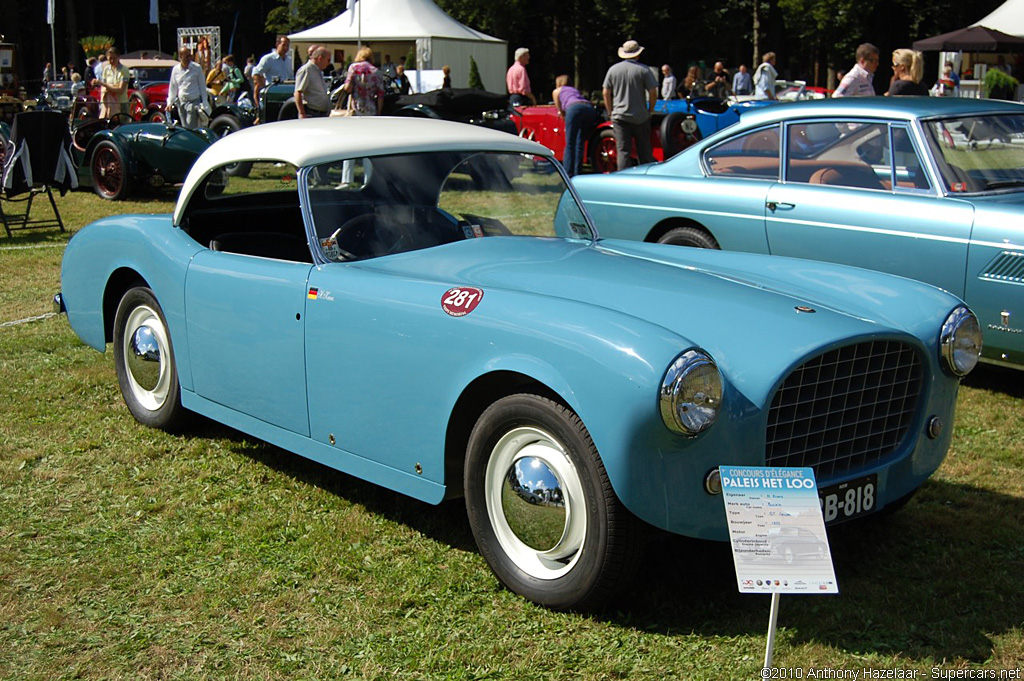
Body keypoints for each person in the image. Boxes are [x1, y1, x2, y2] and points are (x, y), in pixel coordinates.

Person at [602, 39, 658, 171]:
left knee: (623, 151)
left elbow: (606, 92)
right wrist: (650, 109)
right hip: (640, 116)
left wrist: (610, 112)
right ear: (637, 54)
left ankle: (623, 179)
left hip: (620, 116)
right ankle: (647, 177)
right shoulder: (644, 70)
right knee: (644, 151)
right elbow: (653, 91)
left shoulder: (613, 70)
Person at [553, 74, 600, 177]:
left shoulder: (557, 91)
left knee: (570, 143)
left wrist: (563, 114)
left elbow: (559, 108)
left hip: (573, 108)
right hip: (588, 108)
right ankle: (577, 171)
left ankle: (567, 173)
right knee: (580, 143)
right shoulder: (574, 90)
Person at [167, 47, 210, 129]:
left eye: (190, 56)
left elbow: (202, 86)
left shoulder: (197, 68)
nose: (189, 58)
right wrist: (170, 102)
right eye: (186, 56)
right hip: (182, 102)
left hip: (194, 101)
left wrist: (205, 102)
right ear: (180, 56)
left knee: (190, 126)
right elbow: (173, 87)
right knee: (184, 126)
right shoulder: (175, 70)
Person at [253, 35, 294, 119]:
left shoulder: (288, 60)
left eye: (287, 46)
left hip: (285, 92)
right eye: (284, 45)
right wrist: (264, 87)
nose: (286, 48)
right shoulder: (268, 59)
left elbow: (290, 77)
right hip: (273, 94)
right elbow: (256, 73)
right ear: (277, 44)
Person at [295, 46, 332, 118]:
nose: (329, 63)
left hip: (321, 114)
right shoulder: (307, 70)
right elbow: (298, 92)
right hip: (311, 113)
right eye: (328, 60)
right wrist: (301, 113)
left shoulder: (319, 71)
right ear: (320, 58)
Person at [99, 48, 130, 118]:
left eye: (114, 58)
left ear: (118, 57)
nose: (112, 60)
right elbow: (103, 88)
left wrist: (106, 86)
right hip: (109, 103)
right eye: (110, 58)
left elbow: (121, 90)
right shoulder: (106, 69)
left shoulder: (124, 70)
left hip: (121, 103)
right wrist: (108, 87)